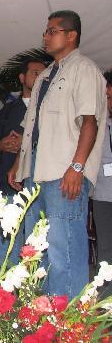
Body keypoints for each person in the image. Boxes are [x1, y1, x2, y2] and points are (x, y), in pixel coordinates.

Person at [8, 10, 106, 299]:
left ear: (71, 35)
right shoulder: (46, 75)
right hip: (35, 169)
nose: (45, 36)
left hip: (64, 170)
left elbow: (90, 122)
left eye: (52, 31)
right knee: (36, 245)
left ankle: (68, 317)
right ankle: (42, 312)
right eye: (46, 31)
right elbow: (31, 129)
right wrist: (18, 164)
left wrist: (77, 167)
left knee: (64, 243)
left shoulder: (85, 69)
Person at [0, 59, 45, 266]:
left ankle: (31, 289)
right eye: (35, 72)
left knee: (34, 239)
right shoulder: (7, 109)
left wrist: (26, 142)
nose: (40, 77)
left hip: (37, 183)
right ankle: (7, 286)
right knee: (5, 238)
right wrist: (1, 144)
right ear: (22, 78)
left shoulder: (47, 108)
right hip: (8, 182)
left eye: (43, 73)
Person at [92, 71, 112, 297]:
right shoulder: (97, 123)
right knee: (106, 248)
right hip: (103, 195)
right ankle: (105, 303)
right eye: (106, 96)